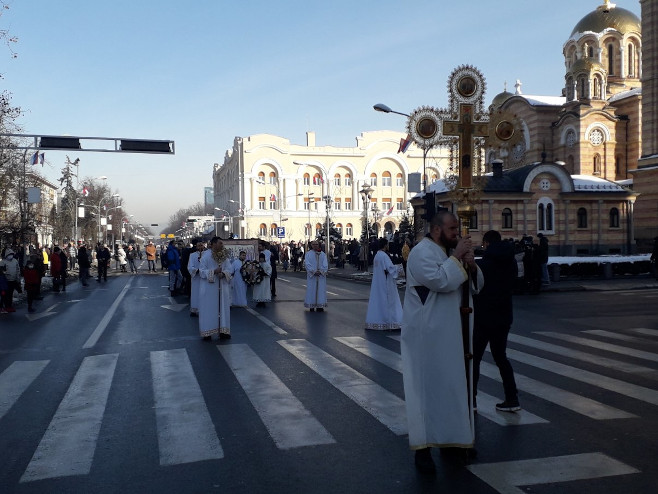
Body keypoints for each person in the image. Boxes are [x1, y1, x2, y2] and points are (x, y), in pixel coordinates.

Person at [400, 210, 484, 473]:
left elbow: (474, 286)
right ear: (436, 230)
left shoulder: (445, 252)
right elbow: (439, 281)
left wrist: (471, 266)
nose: (456, 234)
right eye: (451, 229)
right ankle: (423, 450)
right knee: (425, 393)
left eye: (457, 229)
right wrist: (458, 256)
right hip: (427, 337)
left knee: (451, 390)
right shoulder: (421, 253)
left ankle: (453, 444)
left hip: (450, 334)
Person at [472, 230, 520, 413]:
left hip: (484, 317)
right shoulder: (511, 262)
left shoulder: (483, 264)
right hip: (504, 316)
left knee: (474, 358)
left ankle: (472, 400)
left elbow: (475, 287)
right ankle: (512, 398)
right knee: (501, 358)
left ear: (486, 243)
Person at [198, 237, 234, 340]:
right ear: (213, 244)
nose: (222, 245)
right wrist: (214, 271)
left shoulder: (224, 257)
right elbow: (201, 271)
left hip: (222, 287)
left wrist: (223, 273)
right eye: (220, 243)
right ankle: (207, 332)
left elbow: (229, 269)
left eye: (222, 243)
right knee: (208, 309)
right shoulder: (206, 256)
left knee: (223, 308)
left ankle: (224, 331)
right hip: (209, 288)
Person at [365, 238, 403, 330]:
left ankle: (379, 321)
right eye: (387, 244)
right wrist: (400, 267)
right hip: (386, 283)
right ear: (385, 245)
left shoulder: (377, 255)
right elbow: (390, 268)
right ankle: (391, 322)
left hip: (378, 282)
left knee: (379, 302)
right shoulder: (384, 256)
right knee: (389, 302)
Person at [304, 240, 328, 312]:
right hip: (312, 276)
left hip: (321, 276)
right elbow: (307, 264)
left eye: (316, 244)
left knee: (321, 290)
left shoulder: (323, 254)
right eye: (314, 244)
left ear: (319, 245)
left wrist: (321, 271)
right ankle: (311, 305)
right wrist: (313, 271)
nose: (315, 246)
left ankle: (320, 305)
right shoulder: (308, 254)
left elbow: (325, 264)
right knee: (312, 289)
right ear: (311, 245)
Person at [187, 240, 205, 317]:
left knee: (204, 294)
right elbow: (190, 266)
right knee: (195, 293)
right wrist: (196, 271)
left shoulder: (208, 255)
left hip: (204, 277)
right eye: (199, 246)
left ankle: (204, 309)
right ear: (196, 247)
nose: (200, 247)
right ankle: (194, 309)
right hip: (196, 278)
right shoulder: (192, 255)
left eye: (201, 245)